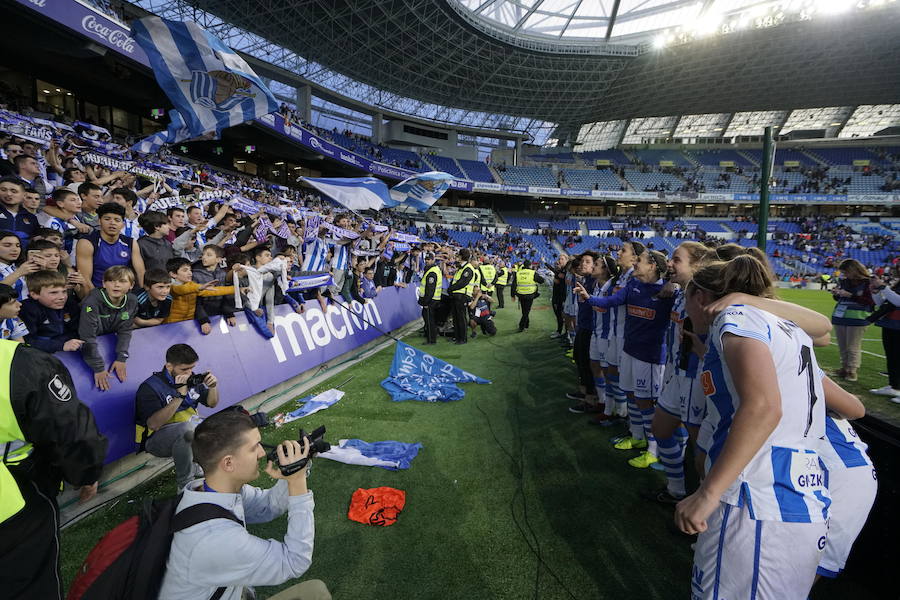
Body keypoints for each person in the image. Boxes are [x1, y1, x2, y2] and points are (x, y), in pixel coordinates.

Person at [674, 256, 830, 600]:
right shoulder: (776, 321)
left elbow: (762, 407)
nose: (685, 313)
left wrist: (707, 494)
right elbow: (822, 328)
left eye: (686, 301)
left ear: (700, 297)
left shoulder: (737, 318)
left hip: (755, 497)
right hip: (795, 492)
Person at [157, 408, 330, 600]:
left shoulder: (209, 491)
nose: (262, 452)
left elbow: (268, 506)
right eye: (254, 447)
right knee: (316, 593)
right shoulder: (215, 538)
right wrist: (297, 483)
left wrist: (293, 473)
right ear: (228, 463)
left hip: (231, 591)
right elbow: (294, 562)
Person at [0, 340, 107, 600]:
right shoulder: (17, 361)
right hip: (14, 499)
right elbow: (71, 430)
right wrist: (87, 475)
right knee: (29, 584)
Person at [134, 343, 219, 491]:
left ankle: (198, 464)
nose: (189, 373)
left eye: (192, 368)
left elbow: (212, 403)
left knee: (217, 422)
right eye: (184, 369)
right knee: (186, 430)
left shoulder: (192, 379)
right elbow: (154, 424)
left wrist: (213, 387)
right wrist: (180, 395)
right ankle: (185, 484)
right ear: (169, 366)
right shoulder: (149, 387)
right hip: (156, 440)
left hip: (187, 431)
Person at [79, 265, 138, 391]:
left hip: (106, 337)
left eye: (122, 281)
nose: (116, 285)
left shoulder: (132, 301)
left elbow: (125, 330)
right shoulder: (92, 302)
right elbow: (87, 337)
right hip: (84, 337)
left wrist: (121, 357)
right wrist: (99, 368)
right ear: (104, 284)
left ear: (131, 285)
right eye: (111, 281)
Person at [75, 202, 146, 290]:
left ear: (123, 224)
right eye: (107, 219)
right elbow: (85, 279)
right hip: (97, 293)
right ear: (99, 221)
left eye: (117, 220)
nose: (112, 223)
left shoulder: (131, 243)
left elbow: (141, 272)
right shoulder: (87, 243)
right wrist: (98, 299)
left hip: (124, 294)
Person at [830, 259, 873, 382]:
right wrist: (837, 293)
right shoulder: (844, 281)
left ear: (853, 270)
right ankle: (844, 368)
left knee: (853, 346)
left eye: (846, 271)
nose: (845, 274)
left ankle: (852, 370)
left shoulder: (867, 283)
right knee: (843, 345)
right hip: (841, 316)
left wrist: (850, 295)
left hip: (858, 318)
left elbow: (869, 301)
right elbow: (838, 298)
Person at [20, 270, 82, 353]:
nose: (62, 297)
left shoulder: (69, 303)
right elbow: (28, 340)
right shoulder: (27, 309)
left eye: (64, 291)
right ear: (34, 294)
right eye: (54, 292)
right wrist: (60, 345)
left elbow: (77, 329)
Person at [869, 266, 900, 400]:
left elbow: (898, 301)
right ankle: (894, 386)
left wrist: (883, 287)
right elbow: (882, 303)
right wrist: (875, 291)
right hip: (891, 323)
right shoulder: (897, 283)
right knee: (892, 356)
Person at [446, 248, 480, 344]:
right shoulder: (461, 268)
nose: (457, 257)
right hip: (457, 295)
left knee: (461, 318)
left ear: (461, 256)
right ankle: (457, 337)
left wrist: (450, 289)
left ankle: (463, 339)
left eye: (458, 255)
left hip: (462, 296)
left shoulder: (468, 269)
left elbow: (462, 283)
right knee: (456, 318)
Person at [510, 259, 544, 333]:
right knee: (526, 312)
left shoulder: (518, 273)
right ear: (530, 265)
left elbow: (513, 285)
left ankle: (526, 324)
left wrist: (512, 296)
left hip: (521, 295)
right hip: (530, 294)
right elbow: (542, 281)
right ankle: (521, 326)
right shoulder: (532, 273)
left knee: (524, 310)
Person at [418, 251, 441, 344]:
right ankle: (432, 337)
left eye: (429, 259)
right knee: (430, 320)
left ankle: (431, 340)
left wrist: (426, 303)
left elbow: (430, 290)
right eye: (426, 259)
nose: (427, 261)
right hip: (434, 299)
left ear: (433, 260)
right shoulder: (434, 269)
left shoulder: (432, 272)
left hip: (431, 300)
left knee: (429, 320)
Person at [549, 254, 569, 339]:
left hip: (562, 297)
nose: (559, 260)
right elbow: (555, 271)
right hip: (556, 295)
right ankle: (561, 331)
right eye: (559, 259)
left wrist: (561, 280)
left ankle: (563, 332)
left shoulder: (567, 271)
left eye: (562, 259)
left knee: (562, 315)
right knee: (558, 315)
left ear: (566, 261)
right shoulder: (560, 270)